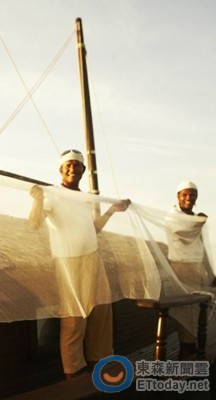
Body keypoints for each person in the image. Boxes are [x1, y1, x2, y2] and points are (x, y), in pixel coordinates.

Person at [28, 149, 130, 379]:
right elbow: (34, 224)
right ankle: (73, 373)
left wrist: (112, 211)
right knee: (74, 318)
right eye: (69, 165)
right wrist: (38, 200)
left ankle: (99, 362)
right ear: (61, 170)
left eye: (77, 165)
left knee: (101, 312)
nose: (73, 168)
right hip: (68, 262)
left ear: (83, 170)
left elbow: (92, 230)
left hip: (93, 258)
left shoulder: (84, 199)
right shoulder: (51, 195)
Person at [165, 180, 213, 358]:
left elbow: (201, 247)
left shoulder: (195, 217)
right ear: (178, 197)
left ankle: (192, 344)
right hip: (182, 266)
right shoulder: (172, 216)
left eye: (192, 194)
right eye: (185, 194)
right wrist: (198, 223)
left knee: (199, 308)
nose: (189, 198)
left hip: (198, 267)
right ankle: (186, 345)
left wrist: (210, 272)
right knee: (185, 308)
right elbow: (183, 235)